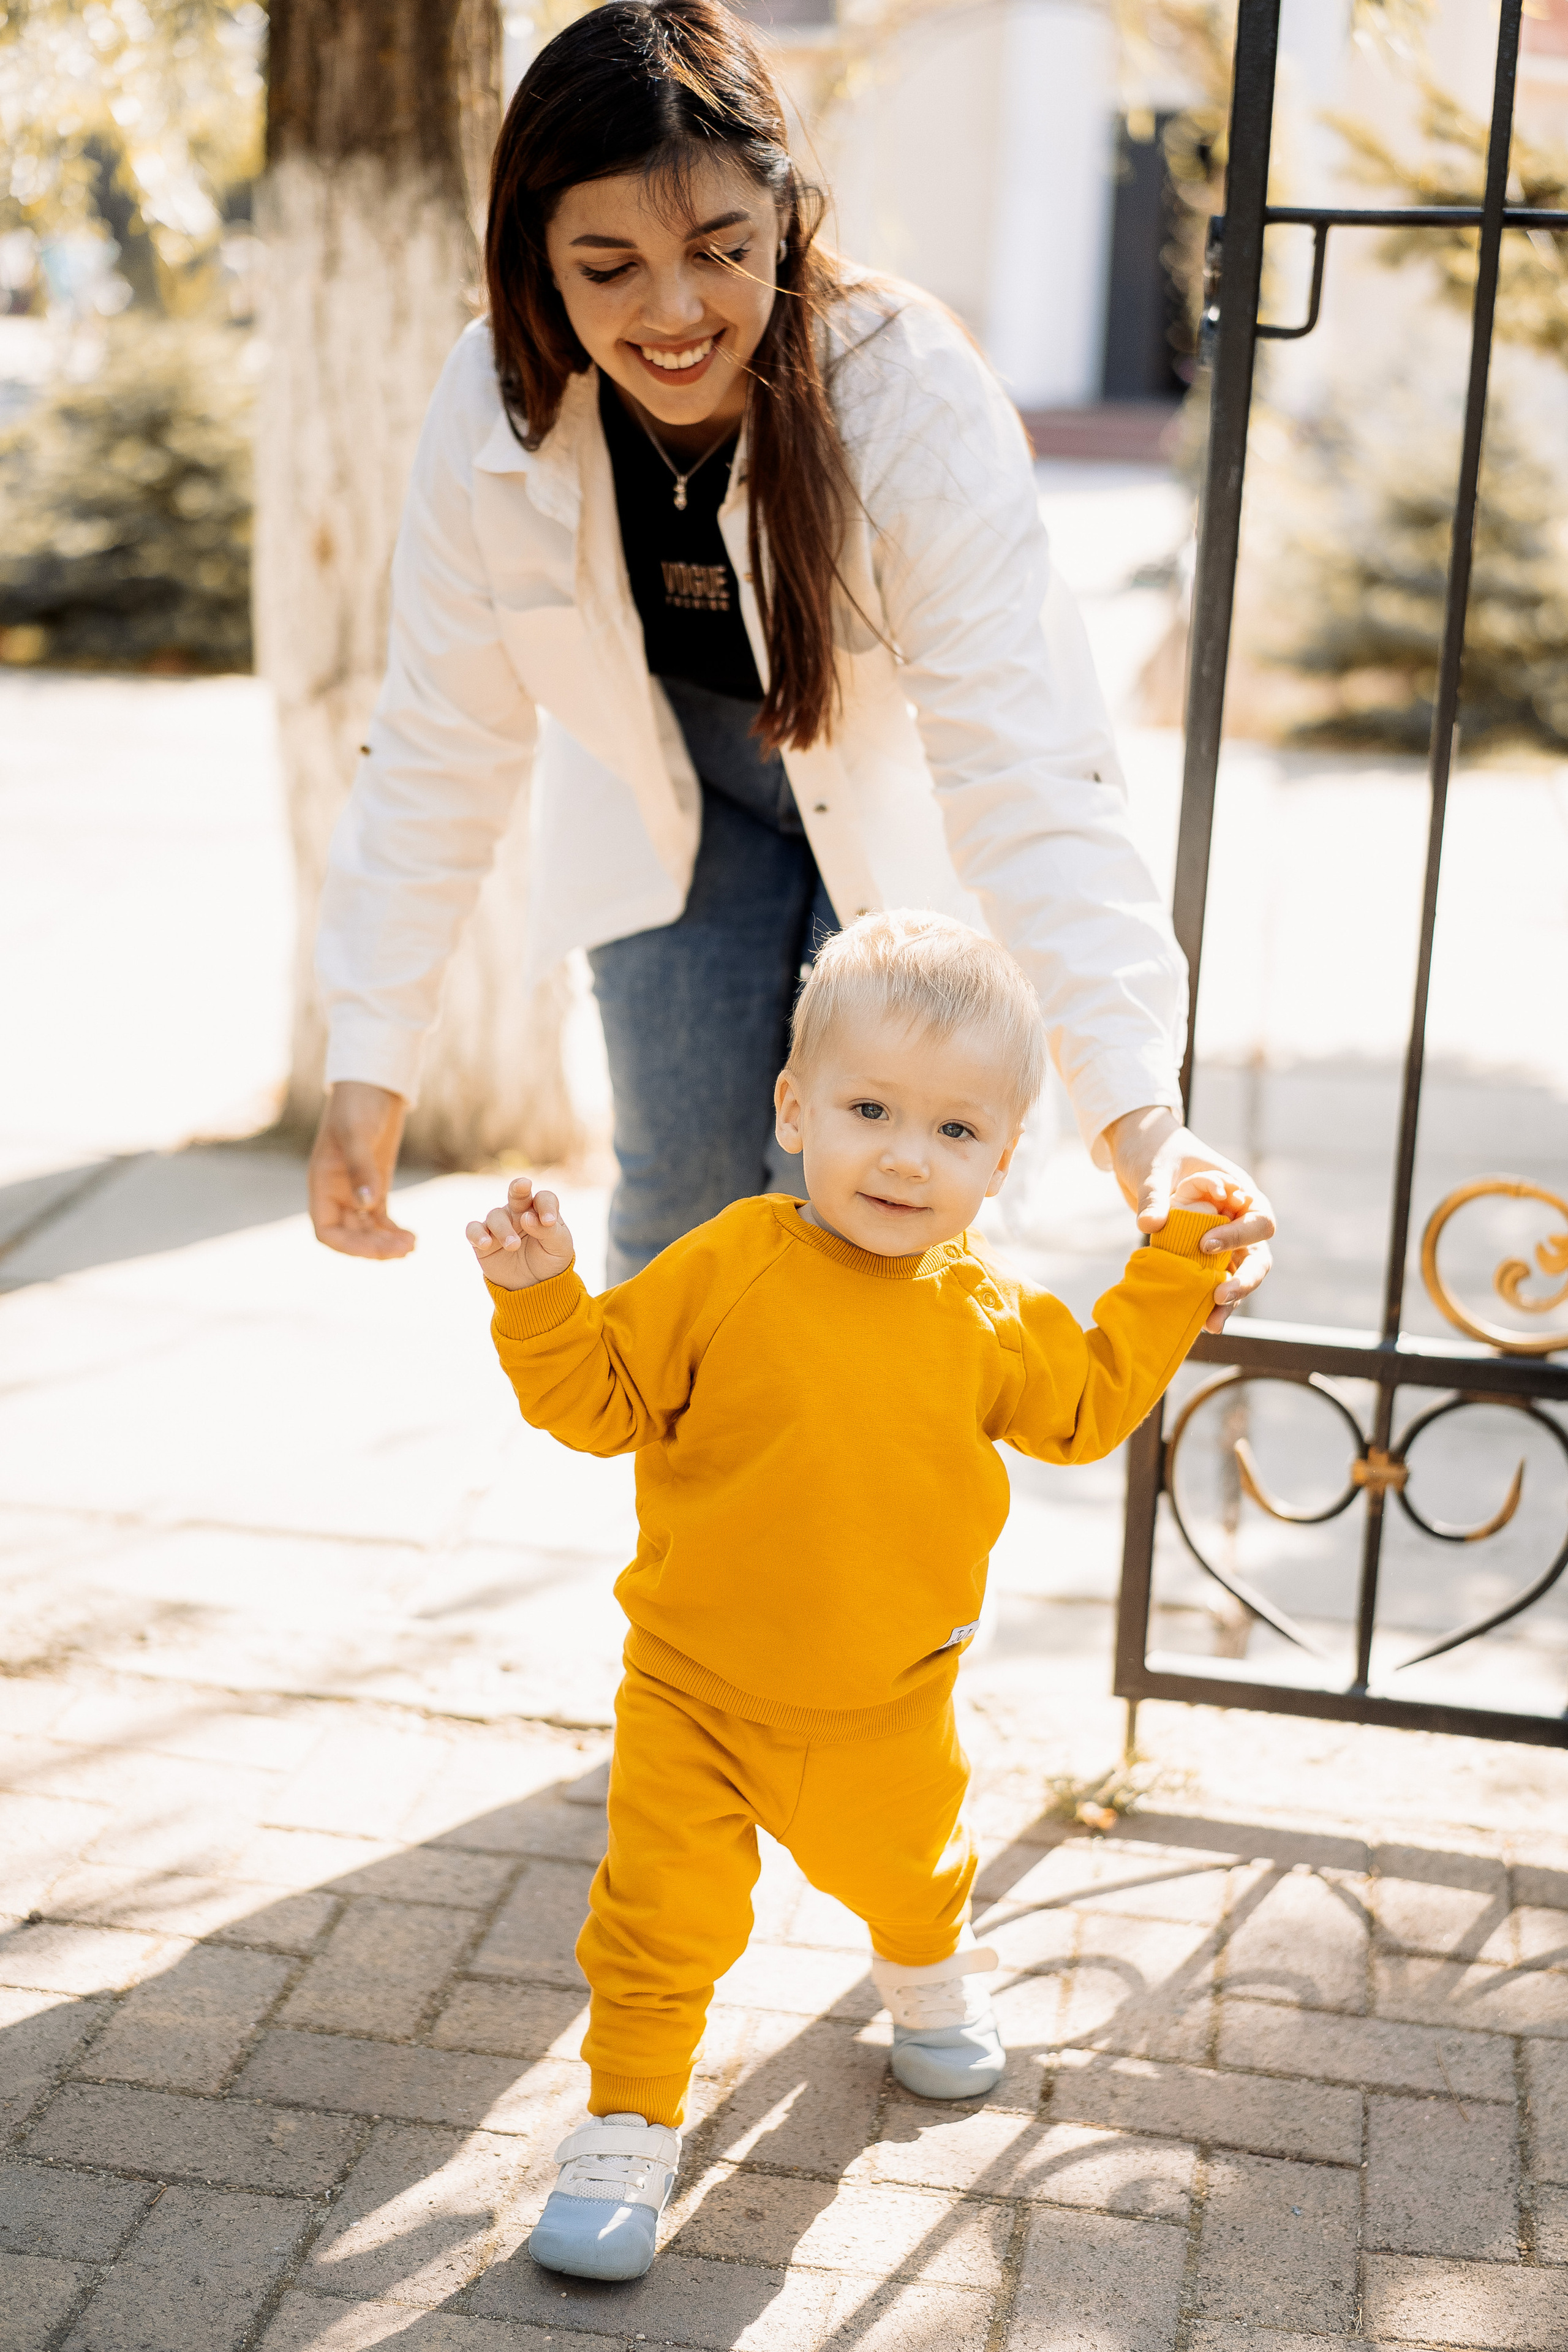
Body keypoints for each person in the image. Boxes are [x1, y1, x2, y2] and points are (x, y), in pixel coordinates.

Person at [306, 0, 1275, 1308]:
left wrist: (1143, 1126)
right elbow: (441, 737)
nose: (674, 311)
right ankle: (691, 1516)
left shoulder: (905, 392)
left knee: (881, 1239)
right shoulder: (493, 403)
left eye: (721, 248)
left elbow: (1027, 773)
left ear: (787, 217)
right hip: (676, 801)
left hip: (891, 802)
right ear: (534, 259)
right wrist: (370, 1060)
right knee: (679, 1231)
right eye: (608, 267)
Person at [466, 910, 1246, 2283]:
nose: (903, 1153)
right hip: (690, 1691)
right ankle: (626, 2129)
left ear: (1003, 1158)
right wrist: (540, 1302)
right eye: (869, 1107)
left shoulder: (988, 1316)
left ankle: (929, 1970)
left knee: (909, 1869)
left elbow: (1088, 1407)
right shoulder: (725, 1264)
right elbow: (601, 1400)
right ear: (792, 1106)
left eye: (954, 1131)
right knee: (656, 1922)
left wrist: (1176, 1261)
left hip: (886, 1703)